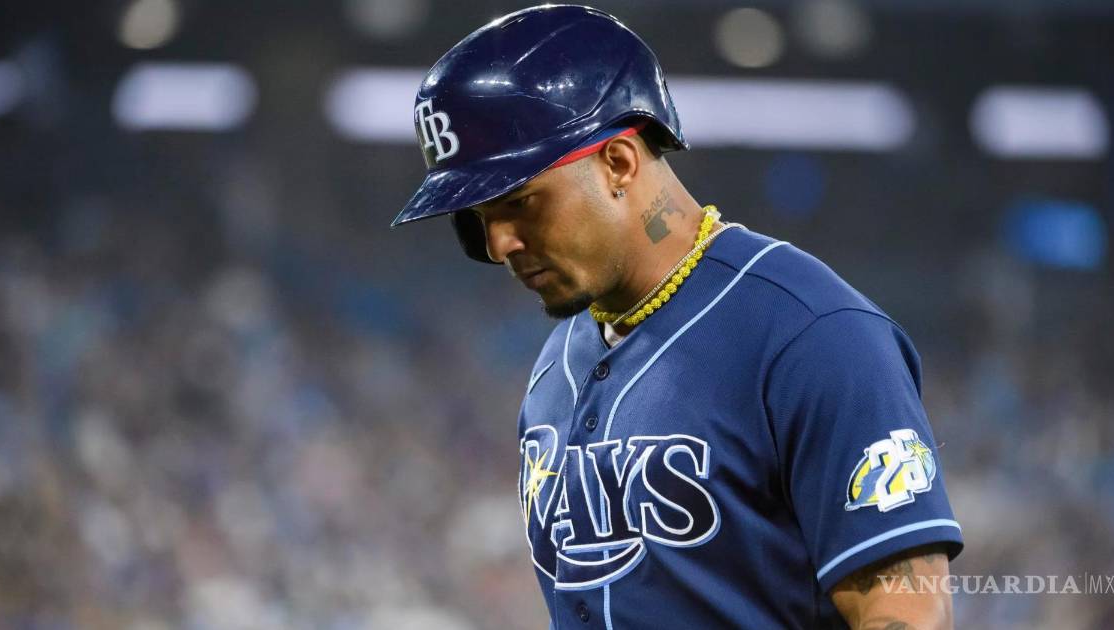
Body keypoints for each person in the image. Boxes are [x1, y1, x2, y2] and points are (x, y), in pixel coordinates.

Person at [392, 5, 963, 629]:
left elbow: (907, 611)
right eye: (478, 218)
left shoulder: (811, 333)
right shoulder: (556, 367)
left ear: (619, 162)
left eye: (521, 202)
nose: (499, 243)